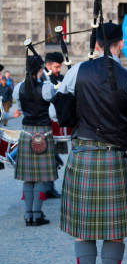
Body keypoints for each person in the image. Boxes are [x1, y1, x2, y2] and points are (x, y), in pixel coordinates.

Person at [58, 22, 127, 264]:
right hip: (115, 157)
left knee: (83, 228)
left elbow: (54, 111)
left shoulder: (76, 73)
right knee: (114, 229)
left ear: (95, 45)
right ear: (119, 44)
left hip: (82, 156)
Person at [13, 54, 57, 226]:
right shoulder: (46, 88)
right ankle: (37, 215)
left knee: (28, 178)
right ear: (40, 70)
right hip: (43, 134)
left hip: (26, 133)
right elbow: (53, 114)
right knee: (40, 177)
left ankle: (28, 215)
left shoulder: (19, 88)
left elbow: (20, 110)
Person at [44, 51, 65, 197]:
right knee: (46, 157)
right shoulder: (41, 79)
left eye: (60, 67)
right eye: (56, 67)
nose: (58, 70)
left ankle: (50, 186)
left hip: (56, 123)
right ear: (48, 65)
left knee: (53, 156)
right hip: (45, 123)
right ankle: (45, 187)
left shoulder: (60, 78)